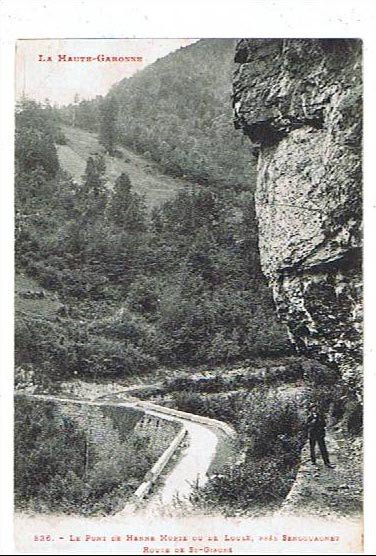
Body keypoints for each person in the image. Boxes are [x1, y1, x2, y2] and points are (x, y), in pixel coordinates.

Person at [305, 404, 335, 468]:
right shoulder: (309, 417)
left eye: (315, 407)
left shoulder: (320, 416)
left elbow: (324, 424)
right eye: (313, 408)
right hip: (312, 434)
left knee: (323, 448)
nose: (315, 409)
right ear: (310, 410)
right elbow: (306, 426)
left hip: (320, 434)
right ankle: (313, 461)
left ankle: (327, 462)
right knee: (312, 448)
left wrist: (320, 423)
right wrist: (312, 422)